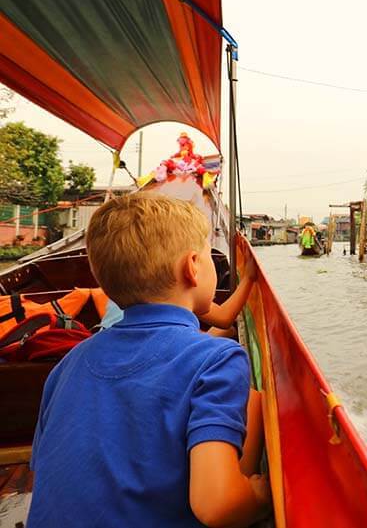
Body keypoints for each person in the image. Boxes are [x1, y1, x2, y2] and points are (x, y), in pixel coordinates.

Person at [28, 193, 271, 528]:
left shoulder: (67, 364)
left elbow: (45, 469)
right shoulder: (218, 359)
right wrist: (257, 497)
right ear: (192, 267)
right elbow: (219, 506)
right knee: (254, 405)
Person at [99, 255, 259, 338]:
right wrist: (249, 278)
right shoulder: (177, 292)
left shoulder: (127, 291)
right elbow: (225, 318)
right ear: (190, 269)